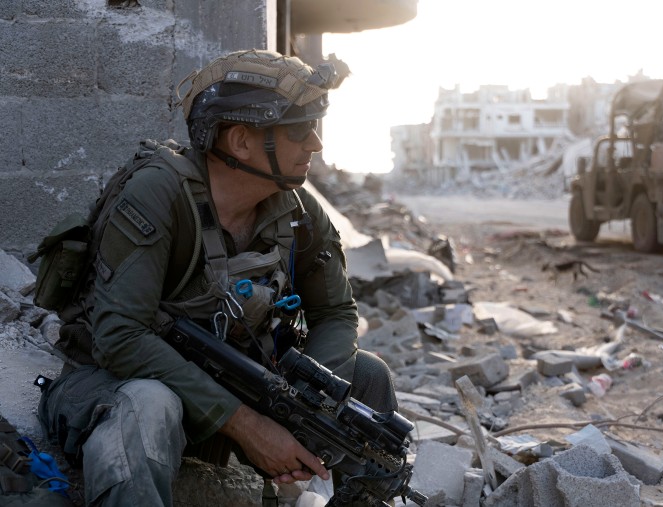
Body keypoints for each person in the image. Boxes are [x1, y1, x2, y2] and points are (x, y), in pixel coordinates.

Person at [37, 49, 398, 506]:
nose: (315, 144)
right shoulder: (157, 194)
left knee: (366, 378)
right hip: (116, 386)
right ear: (241, 141)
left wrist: (309, 400)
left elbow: (336, 312)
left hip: (235, 385)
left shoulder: (299, 212)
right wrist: (248, 426)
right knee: (150, 406)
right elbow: (120, 337)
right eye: (298, 130)